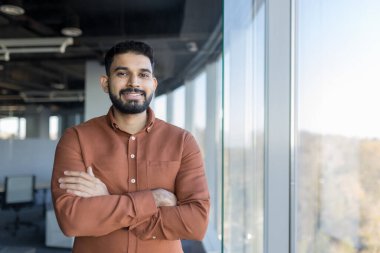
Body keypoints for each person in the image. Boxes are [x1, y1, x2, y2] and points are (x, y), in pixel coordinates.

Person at [51, 40, 210, 253]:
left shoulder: (182, 142)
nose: (134, 83)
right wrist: (154, 199)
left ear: (153, 84)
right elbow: (72, 220)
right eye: (122, 74)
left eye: (143, 74)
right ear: (106, 83)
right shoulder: (76, 139)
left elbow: (196, 223)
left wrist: (108, 202)